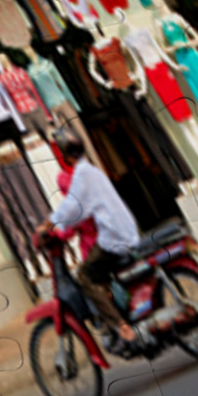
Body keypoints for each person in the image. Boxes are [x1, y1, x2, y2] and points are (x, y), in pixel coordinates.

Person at [36, 135, 142, 348]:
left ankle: (120, 325)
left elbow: (72, 209)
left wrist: (48, 225)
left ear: (65, 157)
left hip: (110, 238)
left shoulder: (81, 178)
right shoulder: (93, 171)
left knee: (85, 277)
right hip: (126, 230)